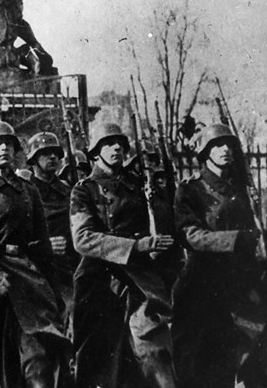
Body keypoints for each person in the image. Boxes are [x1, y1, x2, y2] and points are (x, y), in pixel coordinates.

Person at [0, 120, 71, 388]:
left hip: (25, 276)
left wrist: (52, 291)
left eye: (9, 143)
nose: (4, 147)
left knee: (38, 354)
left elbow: (42, 245)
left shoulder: (28, 190)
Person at [70, 122, 176, 387]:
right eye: (108, 143)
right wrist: (134, 246)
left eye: (120, 143)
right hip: (98, 280)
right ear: (95, 152)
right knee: (100, 358)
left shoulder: (139, 185)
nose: (116, 147)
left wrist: (158, 201)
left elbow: (162, 227)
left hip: (138, 277)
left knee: (153, 348)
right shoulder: (84, 190)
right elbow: (83, 239)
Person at [172, 124, 267, 387]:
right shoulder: (191, 189)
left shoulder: (243, 190)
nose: (225, 150)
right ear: (204, 152)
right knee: (206, 365)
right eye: (216, 145)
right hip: (205, 285)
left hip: (244, 281)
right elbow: (191, 236)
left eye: (228, 145)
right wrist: (237, 239)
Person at [26, 132, 79, 338]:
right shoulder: (25, 192)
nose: (52, 158)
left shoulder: (68, 191)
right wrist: (43, 246)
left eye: (56, 153)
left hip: (69, 269)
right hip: (38, 271)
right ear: (33, 159)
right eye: (45, 153)